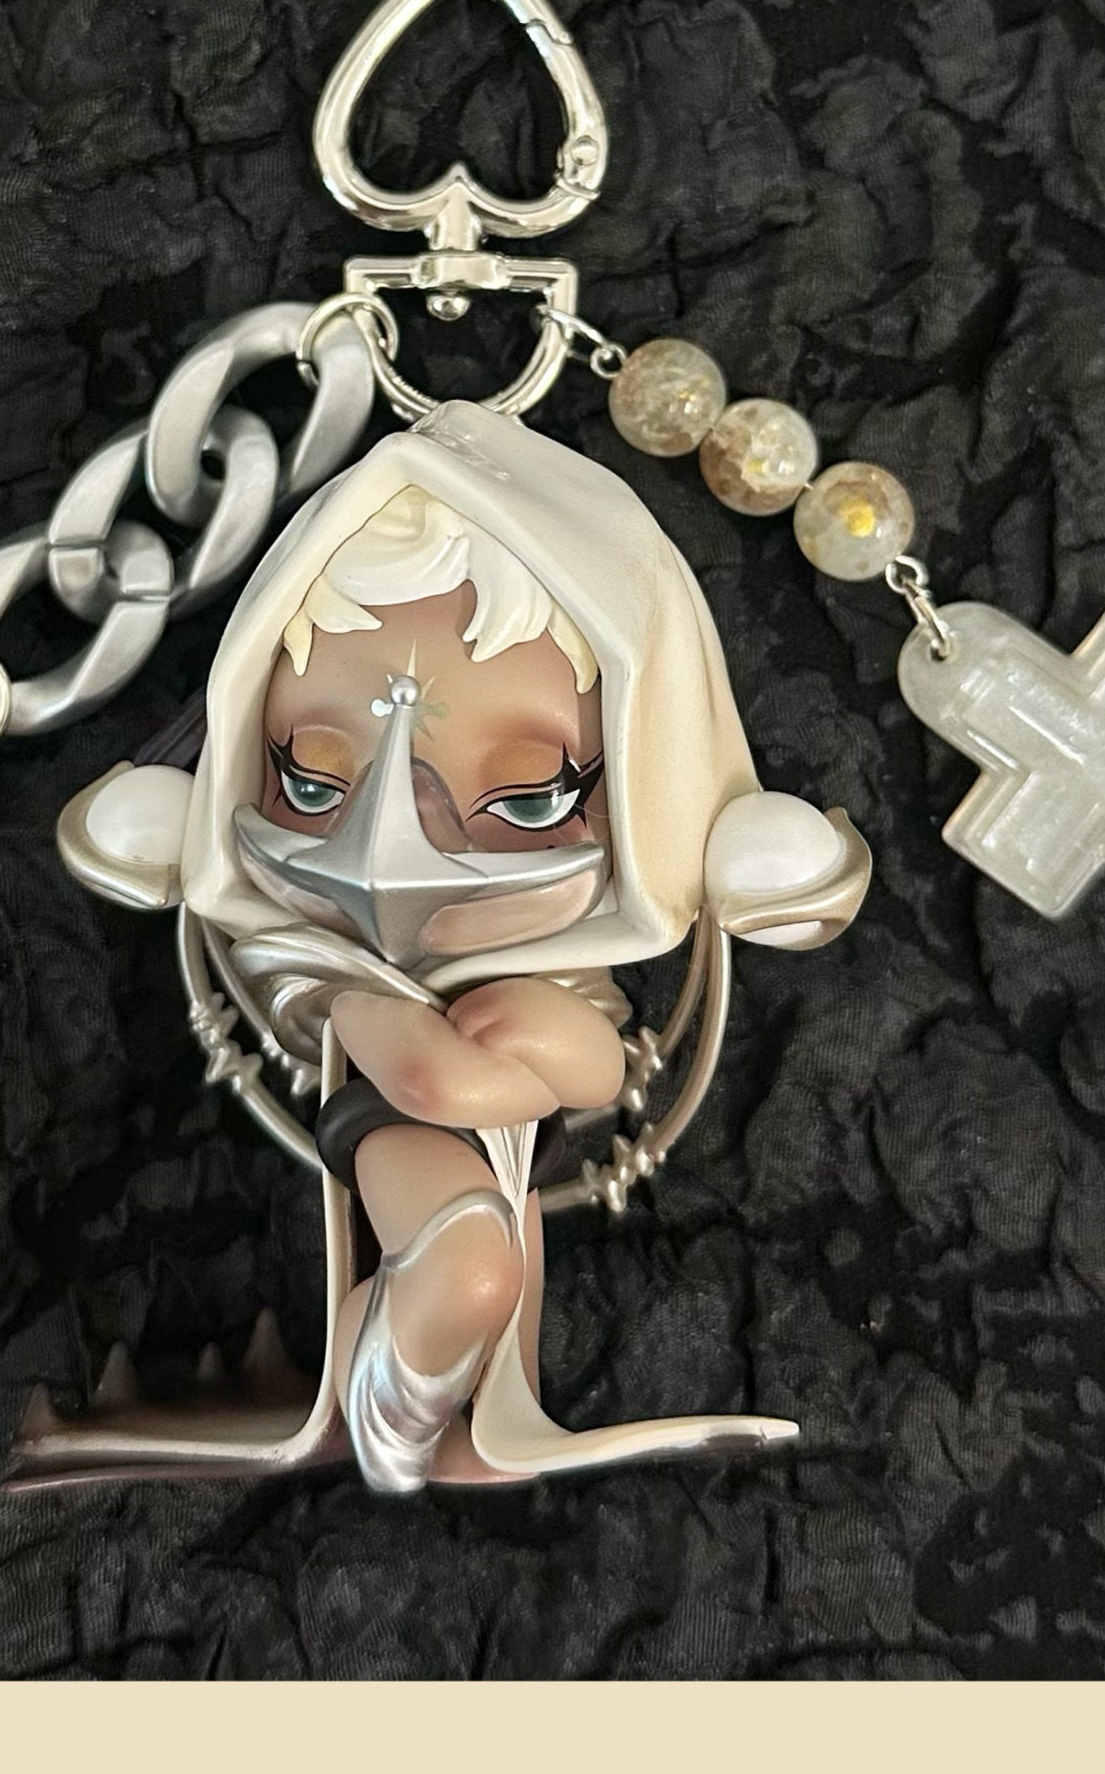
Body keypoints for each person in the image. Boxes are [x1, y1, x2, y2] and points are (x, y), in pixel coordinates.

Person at [55, 400, 871, 1491]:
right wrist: (500, 1052)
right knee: (474, 1258)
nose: (401, 849)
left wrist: (547, 1049)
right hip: (393, 1122)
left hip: (510, 1138)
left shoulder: (568, 949)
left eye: (529, 799)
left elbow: (598, 1072)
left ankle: (479, 1421)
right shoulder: (333, 980)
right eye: (312, 782)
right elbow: (441, 1080)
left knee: (505, 1244)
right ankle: (387, 1404)